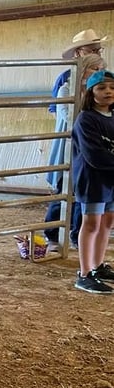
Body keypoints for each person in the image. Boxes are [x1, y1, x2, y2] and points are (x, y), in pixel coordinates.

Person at [44, 30, 109, 251]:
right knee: (65, 187)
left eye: (98, 51)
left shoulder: (100, 87)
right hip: (70, 143)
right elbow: (61, 113)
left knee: (83, 191)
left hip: (91, 145)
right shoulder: (66, 83)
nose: (99, 70)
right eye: (92, 51)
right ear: (80, 54)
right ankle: (52, 233)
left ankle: (76, 234)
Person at [70, 70, 114, 293]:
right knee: (91, 224)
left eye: (112, 88)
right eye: (101, 88)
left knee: (107, 222)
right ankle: (84, 273)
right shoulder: (86, 119)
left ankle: (98, 266)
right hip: (92, 179)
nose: (108, 92)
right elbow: (94, 155)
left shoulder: (113, 116)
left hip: (110, 179)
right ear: (91, 93)